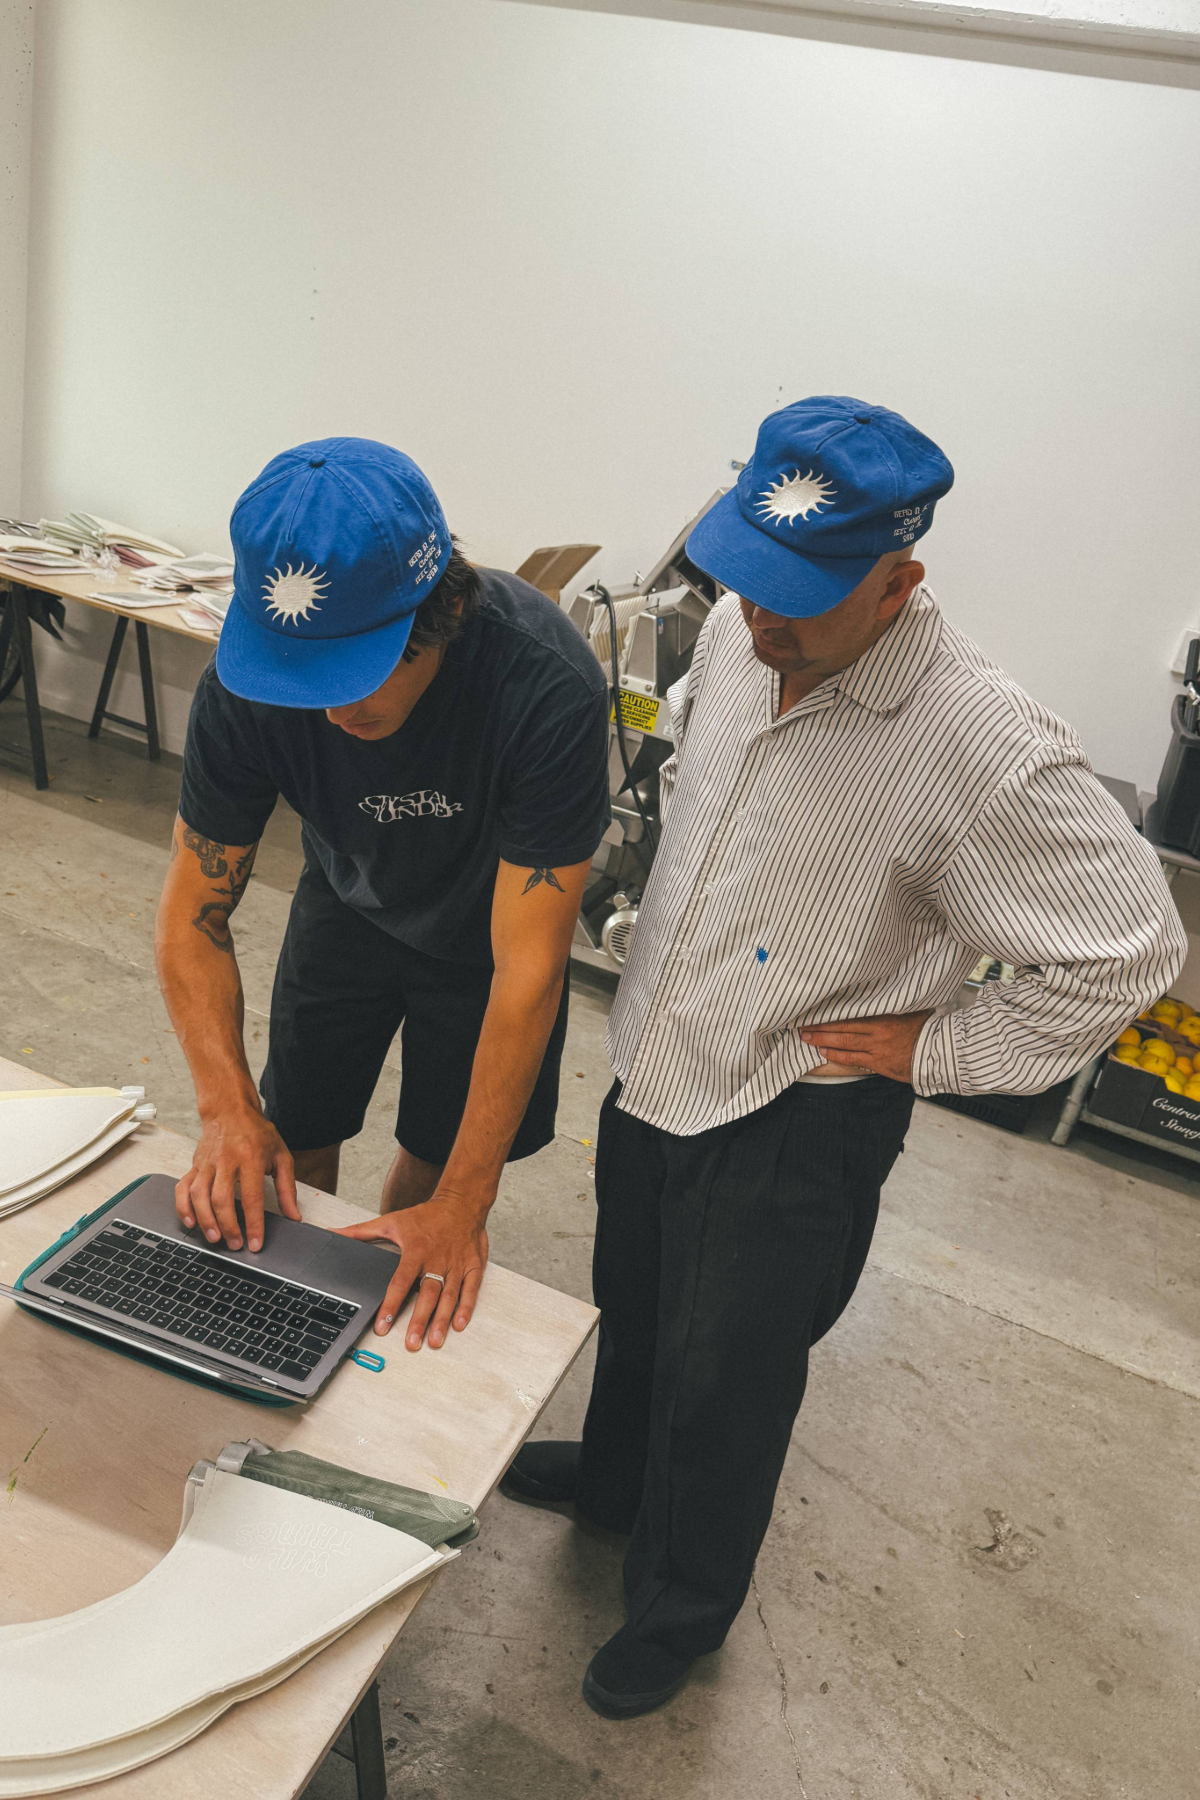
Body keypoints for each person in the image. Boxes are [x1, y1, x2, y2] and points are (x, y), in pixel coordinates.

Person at [503, 394, 1187, 1719]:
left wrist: (944, 1048)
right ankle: (614, 1486)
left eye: (802, 597)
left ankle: (682, 1604)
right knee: (635, 1300)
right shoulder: (738, 634)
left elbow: (1131, 947)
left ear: (898, 581)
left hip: (795, 1106)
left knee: (729, 1379)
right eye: (749, 577)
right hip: (664, 1053)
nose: (763, 617)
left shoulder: (982, 744)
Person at [156, 437, 609, 1352]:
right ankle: (288, 1310)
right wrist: (225, 1109)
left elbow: (529, 968)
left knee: (437, 1169)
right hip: (347, 898)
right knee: (290, 1132)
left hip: (488, 938)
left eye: (357, 674)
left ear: (441, 612)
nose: (332, 712)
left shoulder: (543, 684)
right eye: (306, 679)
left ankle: (378, 1302)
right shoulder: (246, 688)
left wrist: (462, 1206)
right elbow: (190, 915)